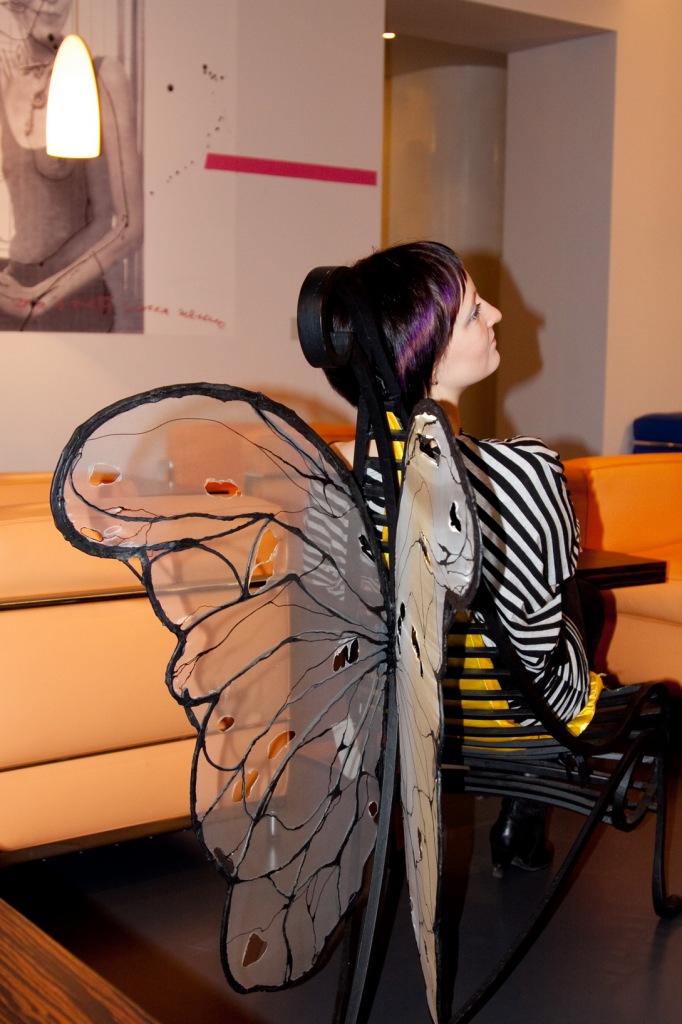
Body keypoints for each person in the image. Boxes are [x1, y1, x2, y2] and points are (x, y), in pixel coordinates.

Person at [324, 240, 604, 874]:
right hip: (503, 722)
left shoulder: (336, 475)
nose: (498, 314)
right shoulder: (524, 469)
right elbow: (537, 633)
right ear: (427, 350)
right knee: (583, 602)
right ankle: (528, 799)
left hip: (380, 722)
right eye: (476, 311)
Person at [0, 0, 143, 331]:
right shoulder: (6, 82)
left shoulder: (101, 75)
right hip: (12, 291)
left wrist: (41, 296)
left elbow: (128, 227)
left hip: (76, 301)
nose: (52, 3)